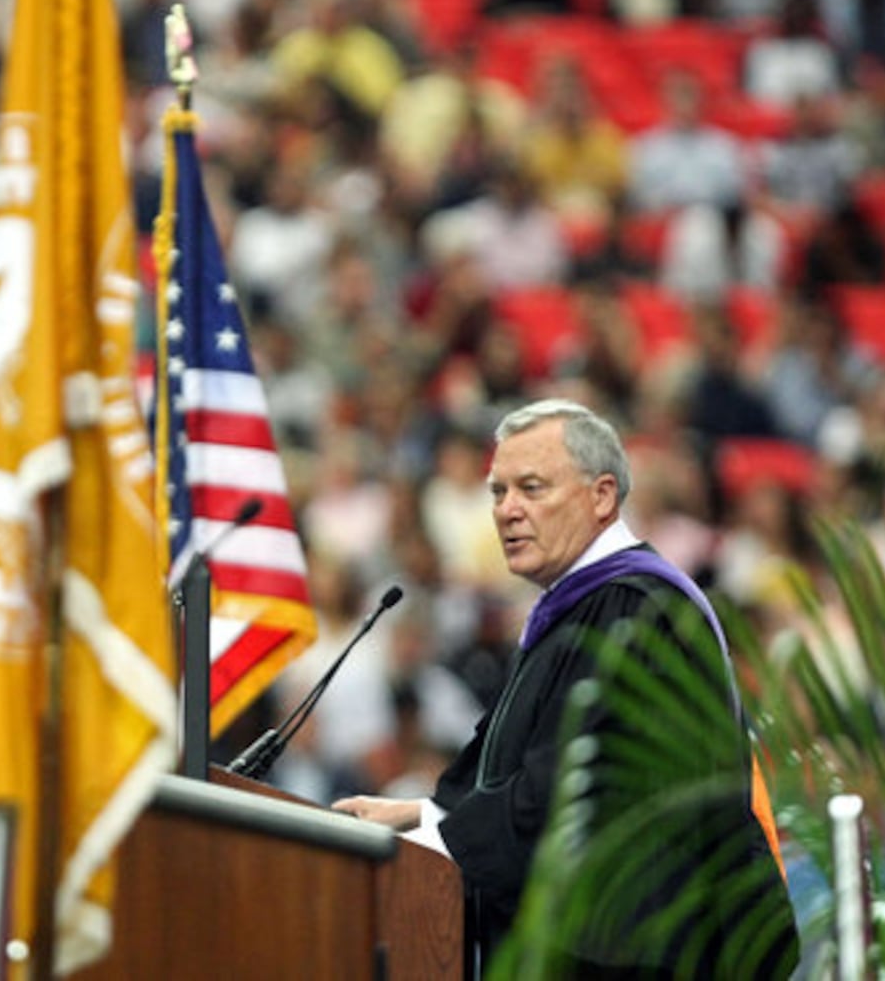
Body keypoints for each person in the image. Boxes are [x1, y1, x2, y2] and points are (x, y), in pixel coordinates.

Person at [333, 399, 798, 977]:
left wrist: (441, 835)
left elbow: (573, 793)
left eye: (531, 488)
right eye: (498, 492)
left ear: (602, 496)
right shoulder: (579, 610)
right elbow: (517, 763)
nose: (507, 511)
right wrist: (423, 811)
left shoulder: (637, 609)